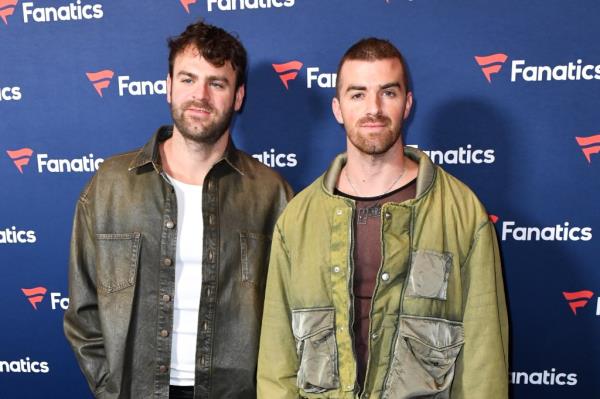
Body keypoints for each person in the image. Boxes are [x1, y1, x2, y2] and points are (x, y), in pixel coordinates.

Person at [257, 38, 508, 398]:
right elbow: (276, 363)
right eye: (357, 94)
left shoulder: (462, 213)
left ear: (407, 104)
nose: (373, 109)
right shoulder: (297, 219)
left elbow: (485, 362)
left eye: (387, 93)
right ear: (338, 108)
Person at [64, 21, 292, 399]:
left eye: (217, 83)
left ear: (237, 97)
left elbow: (288, 316)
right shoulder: (110, 185)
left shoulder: (272, 194)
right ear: (168, 86)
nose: (200, 95)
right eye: (188, 79)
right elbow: (83, 311)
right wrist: (110, 389)